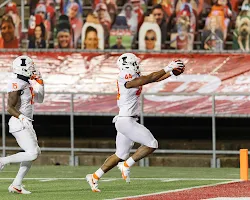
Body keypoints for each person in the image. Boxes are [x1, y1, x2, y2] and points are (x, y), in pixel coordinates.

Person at [86, 53, 185, 192]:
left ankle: (94, 176)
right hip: (126, 121)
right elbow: (148, 78)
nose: (137, 64)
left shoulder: (131, 75)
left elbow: (153, 80)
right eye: (135, 62)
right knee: (152, 144)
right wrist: (167, 67)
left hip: (124, 120)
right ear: (129, 64)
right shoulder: (125, 76)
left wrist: (171, 73)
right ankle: (126, 165)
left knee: (119, 155)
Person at [0, 55, 44, 194]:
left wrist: (41, 83)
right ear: (23, 68)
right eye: (30, 67)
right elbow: (9, 107)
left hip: (26, 122)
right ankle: (2, 161)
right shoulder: (16, 83)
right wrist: (21, 117)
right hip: (19, 122)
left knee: (34, 152)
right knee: (32, 153)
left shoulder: (27, 84)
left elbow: (40, 99)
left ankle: (16, 184)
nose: (33, 69)